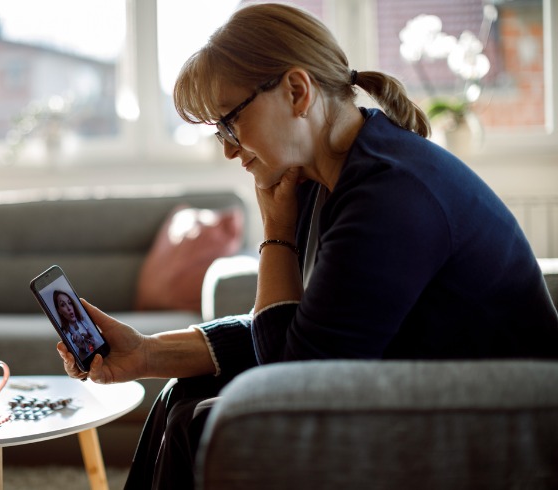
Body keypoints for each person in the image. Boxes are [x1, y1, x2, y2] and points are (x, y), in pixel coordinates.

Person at [56, 4, 558, 489]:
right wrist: (145, 354)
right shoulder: (326, 179)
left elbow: (292, 382)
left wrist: (276, 229)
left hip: (489, 413)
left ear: (297, 91)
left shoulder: (389, 194)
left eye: (230, 123)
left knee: (198, 424)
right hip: (406, 383)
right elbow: (299, 332)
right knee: (179, 396)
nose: (228, 148)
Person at [53, 290, 96, 359]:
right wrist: (82, 350)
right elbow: (78, 363)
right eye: (63, 305)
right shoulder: (65, 335)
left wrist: (94, 344)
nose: (69, 308)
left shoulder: (85, 320)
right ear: (59, 311)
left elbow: (98, 345)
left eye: (70, 303)